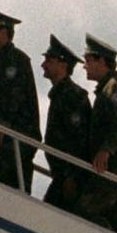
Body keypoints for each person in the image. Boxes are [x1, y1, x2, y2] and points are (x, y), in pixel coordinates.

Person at [71, 34, 117, 233]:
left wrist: (106, 150)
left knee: (84, 210)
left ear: (102, 61)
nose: (84, 66)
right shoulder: (107, 90)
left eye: (87, 60)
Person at [0, 6, 39, 192]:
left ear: (3, 32)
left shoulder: (14, 60)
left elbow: (15, 96)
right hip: (11, 137)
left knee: (3, 190)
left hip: (16, 138)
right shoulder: (7, 59)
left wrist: (2, 127)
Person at [39, 35, 92, 211]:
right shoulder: (61, 94)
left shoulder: (72, 95)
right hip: (61, 174)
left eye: (49, 60)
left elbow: (80, 139)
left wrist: (72, 176)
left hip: (69, 176)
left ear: (63, 65)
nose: (43, 64)